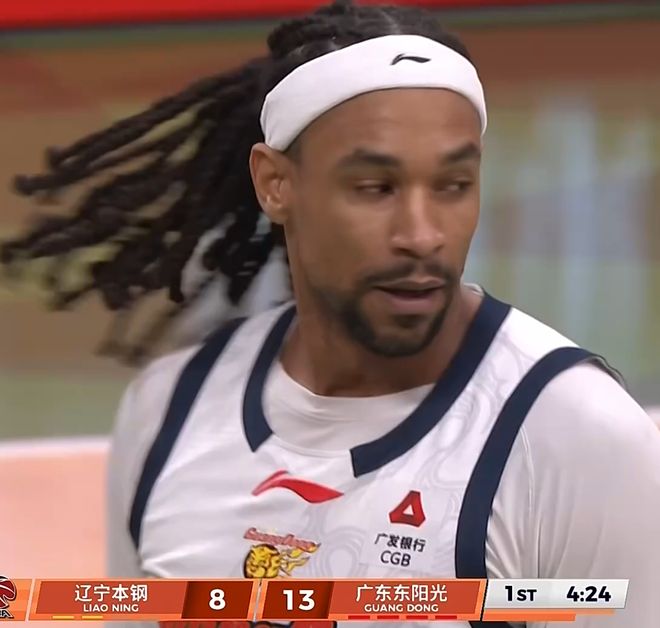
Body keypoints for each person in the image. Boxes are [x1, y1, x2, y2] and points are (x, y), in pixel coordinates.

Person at [3, 2, 660, 627]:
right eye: (375, 188)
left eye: (454, 186)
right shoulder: (169, 411)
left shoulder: (577, 438)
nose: (422, 234)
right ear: (275, 184)